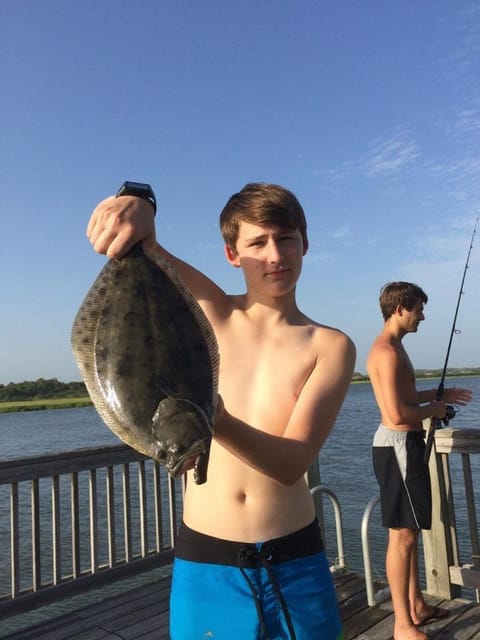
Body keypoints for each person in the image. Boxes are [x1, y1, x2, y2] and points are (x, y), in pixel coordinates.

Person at [87, 181, 356, 640]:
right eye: (257, 242)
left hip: (295, 562)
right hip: (205, 562)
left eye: (286, 238)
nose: (275, 255)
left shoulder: (331, 346)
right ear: (233, 254)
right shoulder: (211, 312)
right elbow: (144, 242)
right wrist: (139, 199)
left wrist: (217, 421)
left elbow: (292, 463)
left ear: (304, 244)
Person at [367, 281, 473, 640]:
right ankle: (402, 626)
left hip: (403, 446)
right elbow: (397, 413)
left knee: (407, 533)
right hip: (398, 446)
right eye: (418, 309)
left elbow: (407, 395)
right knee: (403, 537)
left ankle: (416, 605)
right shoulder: (388, 352)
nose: (422, 316)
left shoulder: (394, 348)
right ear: (400, 309)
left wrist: (441, 395)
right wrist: (436, 409)